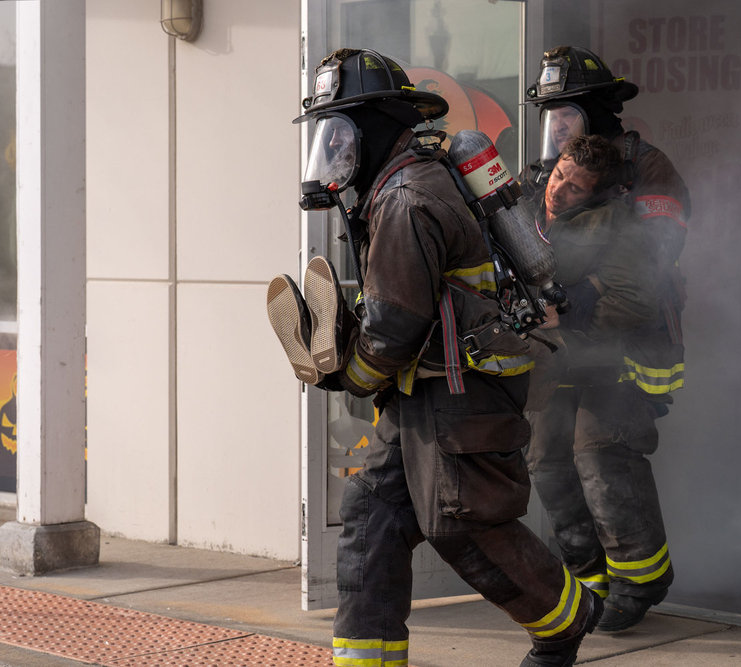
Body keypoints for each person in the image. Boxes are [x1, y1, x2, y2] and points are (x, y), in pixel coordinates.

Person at [266, 48, 602, 667]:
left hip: (462, 390)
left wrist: (350, 376)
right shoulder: (406, 180)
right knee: (374, 516)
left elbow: (395, 325)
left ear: (375, 127)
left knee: (462, 524)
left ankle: (565, 620)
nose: (331, 148)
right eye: (325, 134)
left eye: (340, 132)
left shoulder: (405, 196)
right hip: (430, 385)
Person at [522, 54, 691, 630]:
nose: (557, 128)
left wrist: (586, 289)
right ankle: (587, 576)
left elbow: (655, 254)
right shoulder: (546, 173)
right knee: (545, 457)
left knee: (601, 452)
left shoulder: (645, 166)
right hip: (558, 344)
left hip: (626, 341)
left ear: (595, 112)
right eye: (550, 117)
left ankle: (639, 583)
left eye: (567, 114)